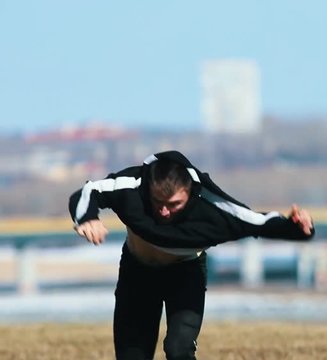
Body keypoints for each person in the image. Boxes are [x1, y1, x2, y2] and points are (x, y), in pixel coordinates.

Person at [68, 150, 314, 360]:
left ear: (190, 192)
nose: (164, 212)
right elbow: (89, 192)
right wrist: (87, 217)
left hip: (185, 274)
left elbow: (258, 222)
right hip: (137, 273)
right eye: (157, 202)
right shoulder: (132, 186)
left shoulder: (213, 209)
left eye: (174, 204)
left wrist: (300, 228)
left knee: (179, 349)